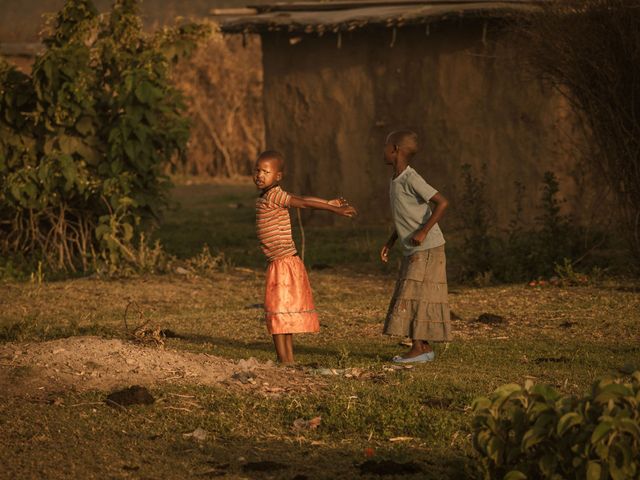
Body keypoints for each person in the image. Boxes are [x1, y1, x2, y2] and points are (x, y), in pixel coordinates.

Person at [254, 150, 357, 364]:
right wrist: (328, 202)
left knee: (278, 311)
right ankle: (287, 359)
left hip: (282, 264)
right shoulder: (272, 194)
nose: (259, 175)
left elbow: (303, 203)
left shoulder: (274, 194)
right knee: (281, 312)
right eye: (257, 170)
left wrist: (331, 209)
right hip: (280, 262)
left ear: (278, 176)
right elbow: (302, 199)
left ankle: (284, 360)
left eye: (266, 171)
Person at [380, 130, 452, 363]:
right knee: (415, 294)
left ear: (395, 150)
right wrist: (390, 242)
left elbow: (442, 202)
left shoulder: (411, 178)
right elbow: (405, 216)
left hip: (428, 248)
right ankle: (423, 348)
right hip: (413, 248)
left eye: (386, 146)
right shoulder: (396, 180)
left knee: (415, 295)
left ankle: (419, 348)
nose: (383, 150)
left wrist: (424, 231)